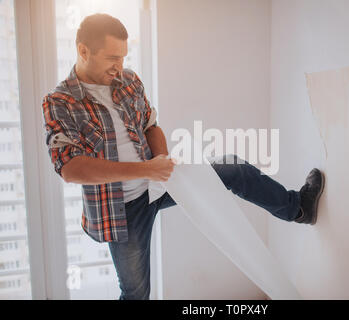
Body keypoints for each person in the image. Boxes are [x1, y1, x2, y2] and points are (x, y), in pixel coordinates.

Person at [42, 13, 325, 300]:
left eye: (123, 57)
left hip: (159, 180)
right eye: (112, 58)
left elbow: (150, 125)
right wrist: (147, 171)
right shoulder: (59, 102)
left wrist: (161, 163)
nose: (120, 66)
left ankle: (298, 209)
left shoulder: (128, 80)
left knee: (233, 169)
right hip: (120, 211)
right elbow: (70, 168)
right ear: (83, 50)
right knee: (136, 293)